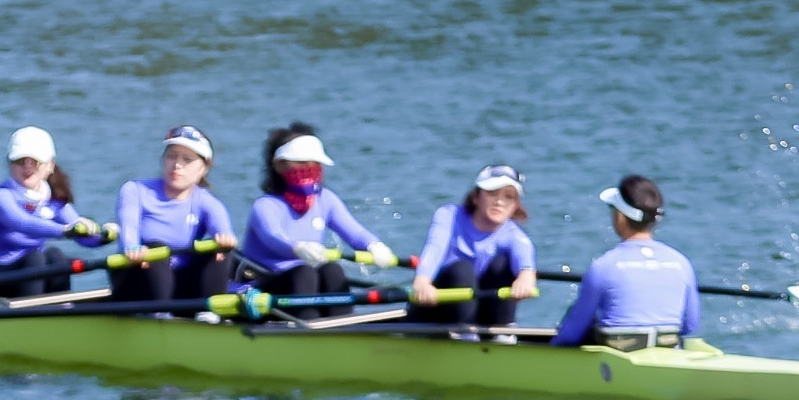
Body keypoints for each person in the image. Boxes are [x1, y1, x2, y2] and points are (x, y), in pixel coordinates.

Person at [239, 127, 393, 303]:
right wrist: (297, 248)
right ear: (278, 164)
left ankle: (339, 323)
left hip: (302, 284)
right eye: (301, 162)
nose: (309, 168)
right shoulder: (265, 205)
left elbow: (354, 232)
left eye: (315, 162)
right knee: (304, 274)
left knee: (332, 271)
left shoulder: (326, 200)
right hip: (262, 284)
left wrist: (374, 245)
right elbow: (273, 238)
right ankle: (308, 323)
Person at [551, 174, 701, 349]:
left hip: (615, 362)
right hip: (665, 353)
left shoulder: (603, 266)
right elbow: (690, 325)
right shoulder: (681, 263)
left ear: (620, 217)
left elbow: (571, 333)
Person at [109, 125, 238, 307]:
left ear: (204, 169)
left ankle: (208, 313)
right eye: (171, 156)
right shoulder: (135, 190)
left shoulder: (207, 202)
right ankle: (159, 315)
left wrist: (225, 242)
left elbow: (224, 231)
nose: (177, 165)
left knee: (219, 253)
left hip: (181, 284)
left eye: (187, 160)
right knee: (156, 248)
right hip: (138, 278)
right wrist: (132, 248)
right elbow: (128, 230)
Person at [0, 126, 106, 296]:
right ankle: (31, 314)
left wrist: (105, 236)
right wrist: (65, 231)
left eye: (34, 162)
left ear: (50, 166)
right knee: (35, 258)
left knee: (55, 255)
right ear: (10, 164)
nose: (27, 167)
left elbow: (84, 238)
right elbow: (23, 223)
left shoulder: (53, 200)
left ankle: (61, 308)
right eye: (20, 161)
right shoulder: (1, 197)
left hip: (25, 274)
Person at [410, 162, 532, 334]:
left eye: (508, 197)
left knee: (502, 265)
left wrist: (525, 279)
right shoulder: (449, 216)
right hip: (434, 310)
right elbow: (435, 247)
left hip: (480, 317)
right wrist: (422, 280)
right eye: (492, 193)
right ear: (476, 197)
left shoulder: (515, 236)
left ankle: (501, 334)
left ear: (515, 205)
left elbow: (526, 265)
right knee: (462, 269)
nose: (499, 202)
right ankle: (465, 338)